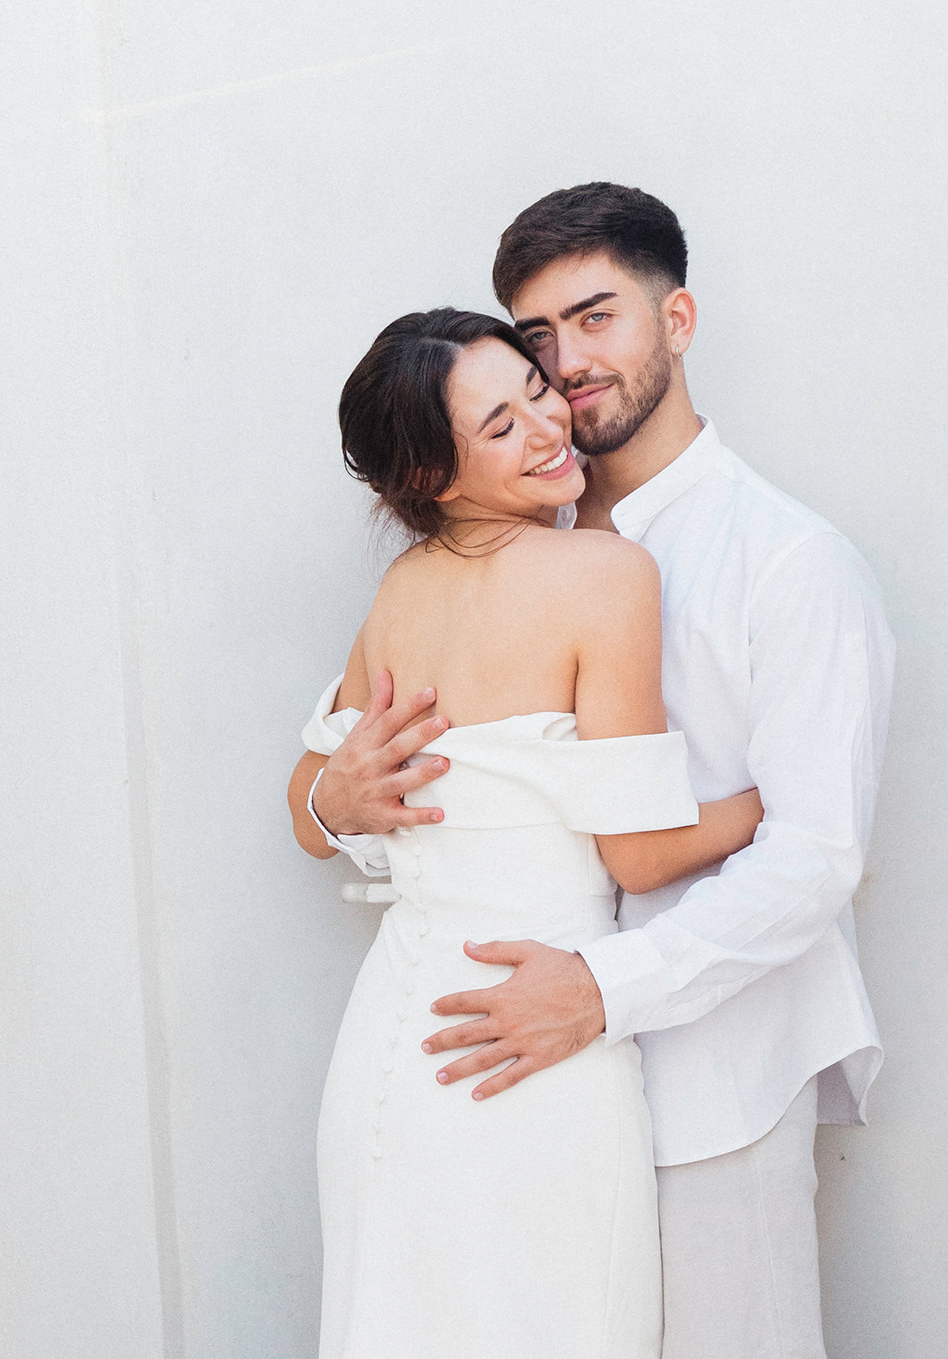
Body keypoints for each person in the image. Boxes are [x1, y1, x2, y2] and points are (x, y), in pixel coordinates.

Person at [290, 184, 896, 1359]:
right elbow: (374, 796)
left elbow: (817, 860)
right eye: (537, 340)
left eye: (596, 318)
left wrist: (603, 989)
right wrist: (333, 794)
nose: (565, 367)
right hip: (494, 1074)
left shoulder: (792, 564)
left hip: (714, 1084)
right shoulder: (498, 554)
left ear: (677, 319)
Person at [295, 305, 766, 1359]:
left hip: (394, 1042)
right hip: (525, 1044)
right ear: (431, 479)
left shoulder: (401, 591)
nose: (548, 429)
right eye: (499, 429)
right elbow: (638, 853)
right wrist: (781, 801)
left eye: (536, 392)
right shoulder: (605, 574)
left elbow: (309, 807)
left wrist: (339, 799)